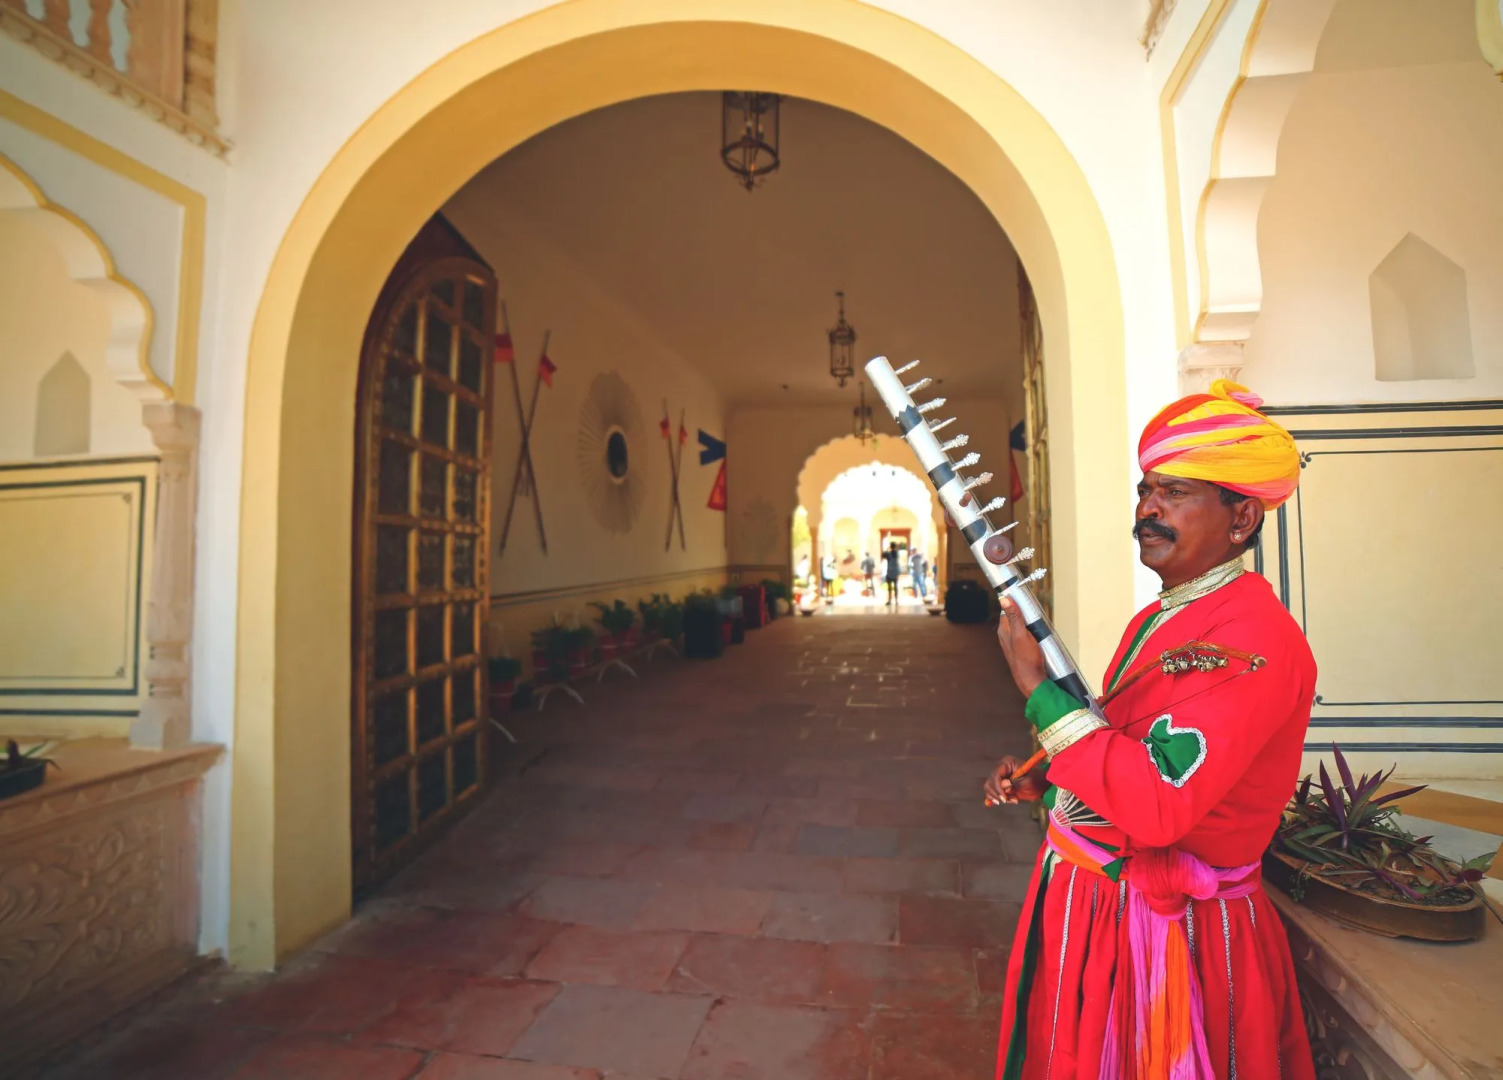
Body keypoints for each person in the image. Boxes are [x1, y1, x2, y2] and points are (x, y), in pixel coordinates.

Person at [987, 380, 1315, 1080]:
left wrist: (1036, 690)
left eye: (1173, 492)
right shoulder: (1161, 617)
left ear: (1240, 518)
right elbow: (1129, 739)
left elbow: (1159, 805)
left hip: (1169, 943)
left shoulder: (1256, 640)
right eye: (1145, 491)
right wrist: (1044, 777)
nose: (1147, 509)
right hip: (1103, 911)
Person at [882, 542, 901, 606]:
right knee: (895, 587)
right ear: (895, 547)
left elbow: (883, 555)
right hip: (895, 572)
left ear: (890, 547)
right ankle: (896, 601)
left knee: (889, 588)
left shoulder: (888, 554)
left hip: (889, 572)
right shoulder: (897, 553)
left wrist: (887, 548)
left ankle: (889, 600)